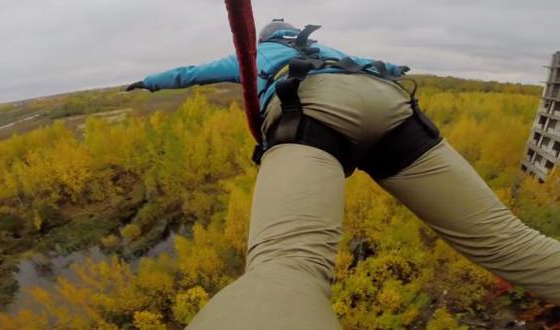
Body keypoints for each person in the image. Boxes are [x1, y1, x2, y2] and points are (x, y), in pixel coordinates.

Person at [126, 20, 560, 330]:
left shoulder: (261, 56)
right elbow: (387, 68)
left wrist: (147, 81)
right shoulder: (330, 51)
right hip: (390, 108)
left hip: (314, 114)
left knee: (288, 264)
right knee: (507, 240)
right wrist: (394, 72)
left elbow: (192, 74)